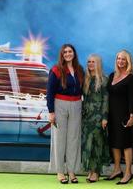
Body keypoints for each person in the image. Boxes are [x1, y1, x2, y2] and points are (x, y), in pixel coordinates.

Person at [47, 44, 84, 184]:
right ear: (62, 55)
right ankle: (60, 171)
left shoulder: (79, 70)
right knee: (59, 139)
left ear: (74, 53)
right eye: (65, 52)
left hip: (76, 105)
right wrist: (51, 112)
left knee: (74, 139)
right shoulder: (56, 70)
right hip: (59, 104)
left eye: (70, 51)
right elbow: (49, 92)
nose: (68, 54)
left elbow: (83, 89)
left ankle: (72, 171)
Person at [105, 50, 133, 184]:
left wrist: (132, 116)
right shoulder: (112, 75)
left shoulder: (131, 78)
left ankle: (128, 172)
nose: (120, 61)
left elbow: (132, 99)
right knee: (114, 143)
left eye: (123, 59)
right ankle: (117, 169)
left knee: (126, 144)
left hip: (124, 116)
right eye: (118, 58)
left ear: (128, 61)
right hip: (112, 115)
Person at [81, 54, 110, 183]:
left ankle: (96, 171)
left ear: (98, 64)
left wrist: (104, 117)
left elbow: (106, 100)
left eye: (93, 62)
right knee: (87, 144)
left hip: (98, 117)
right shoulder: (86, 79)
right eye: (88, 62)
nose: (90, 64)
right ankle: (90, 170)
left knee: (97, 144)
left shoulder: (104, 79)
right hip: (86, 117)